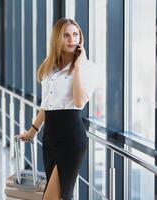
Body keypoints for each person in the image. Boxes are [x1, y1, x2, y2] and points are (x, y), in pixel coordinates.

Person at [19, 18, 101, 200]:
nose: (72, 39)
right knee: (60, 196)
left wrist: (77, 67)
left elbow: (79, 102)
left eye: (75, 34)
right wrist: (33, 130)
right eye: (66, 35)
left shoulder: (89, 68)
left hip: (71, 138)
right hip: (50, 138)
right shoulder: (50, 68)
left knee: (54, 196)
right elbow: (47, 104)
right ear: (57, 39)